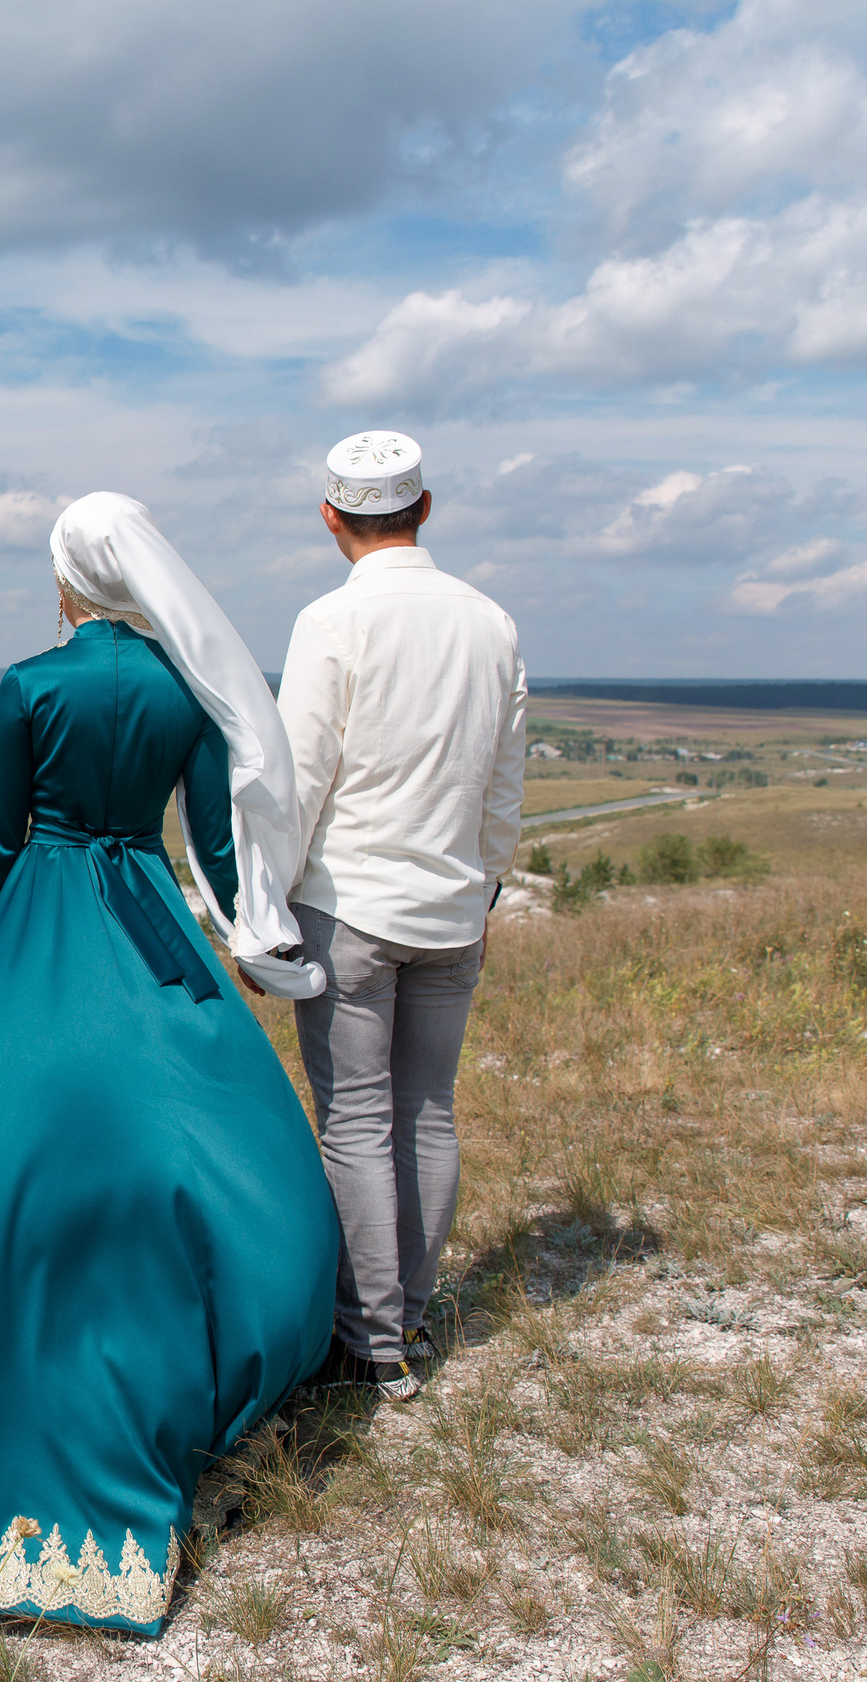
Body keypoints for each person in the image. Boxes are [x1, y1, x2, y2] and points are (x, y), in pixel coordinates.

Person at [0, 492, 338, 1636]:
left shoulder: (30, 682)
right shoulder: (186, 686)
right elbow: (214, 842)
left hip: (43, 925)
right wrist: (248, 938)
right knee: (200, 1139)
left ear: (67, 580)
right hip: (146, 918)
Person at [275, 431, 526, 1403]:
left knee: (355, 1121)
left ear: (329, 517)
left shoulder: (330, 621)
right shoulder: (490, 622)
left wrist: (266, 901)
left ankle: (369, 1342)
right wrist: (483, 886)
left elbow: (300, 778)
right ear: (424, 508)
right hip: (452, 906)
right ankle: (409, 1316)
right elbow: (501, 783)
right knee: (428, 1110)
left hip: (350, 904)